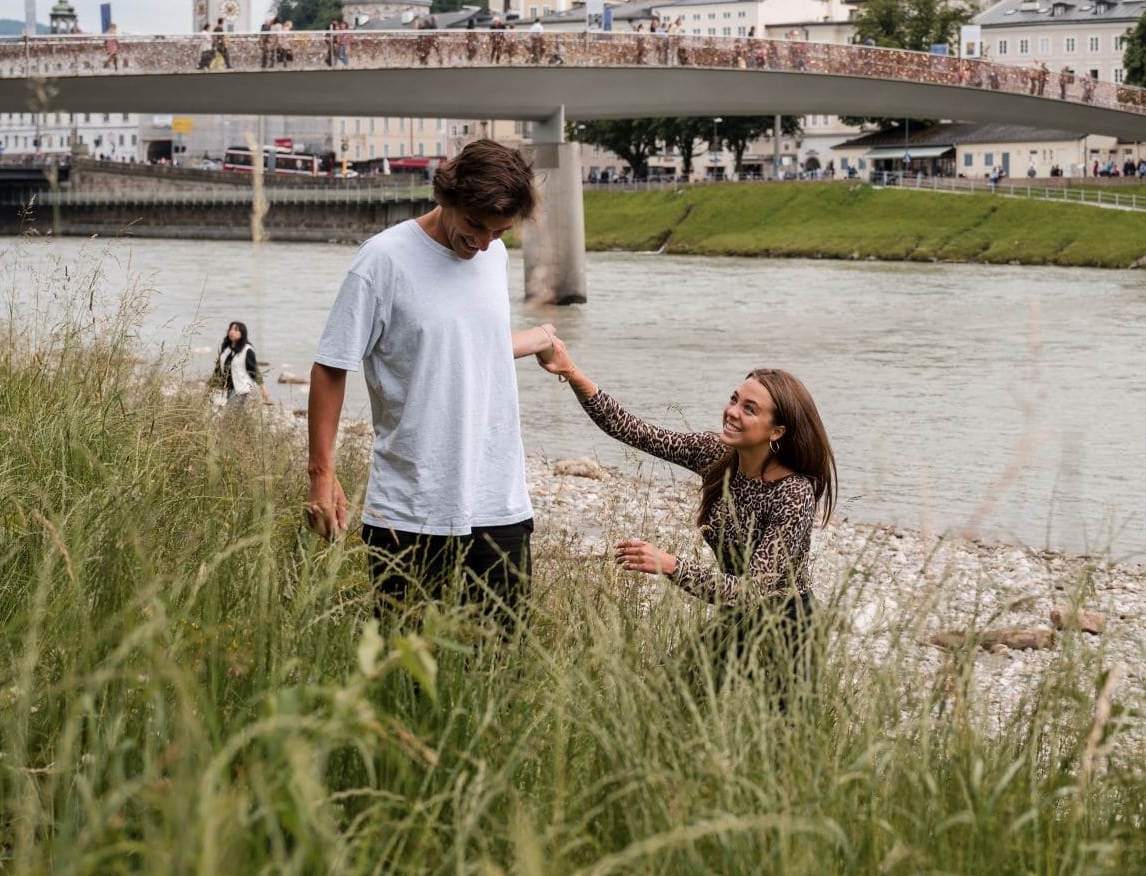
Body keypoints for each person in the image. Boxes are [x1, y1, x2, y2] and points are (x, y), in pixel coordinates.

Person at [306, 139, 559, 625]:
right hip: (410, 508)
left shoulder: (495, 255)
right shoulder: (382, 262)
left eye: (498, 231)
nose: (483, 242)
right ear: (446, 198)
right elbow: (331, 366)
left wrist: (543, 338)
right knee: (408, 675)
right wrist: (322, 476)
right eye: (475, 226)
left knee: (497, 668)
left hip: (498, 502)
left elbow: (466, 342)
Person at [536, 339, 836, 685]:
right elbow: (634, 431)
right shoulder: (715, 454)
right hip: (736, 619)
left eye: (750, 409)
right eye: (734, 399)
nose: (733, 411)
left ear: (777, 431)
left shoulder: (793, 493)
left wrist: (671, 566)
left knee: (778, 737)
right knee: (667, 698)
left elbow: (752, 591)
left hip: (786, 632)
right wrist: (572, 373)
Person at [213, 321, 271, 415]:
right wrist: (212, 386)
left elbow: (254, 370)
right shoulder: (226, 350)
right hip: (226, 389)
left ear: (242, 333)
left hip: (240, 389)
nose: (232, 332)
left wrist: (264, 389)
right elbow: (218, 370)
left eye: (236, 330)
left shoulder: (247, 350)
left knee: (230, 415)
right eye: (231, 329)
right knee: (230, 415)